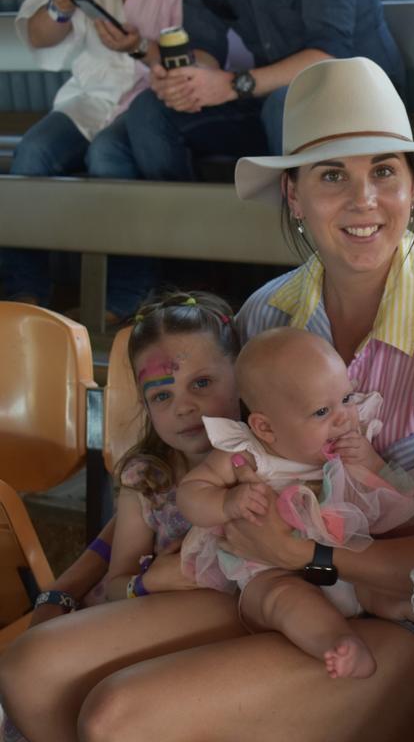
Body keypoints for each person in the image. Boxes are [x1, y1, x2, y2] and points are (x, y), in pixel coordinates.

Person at [0, 56, 414, 742]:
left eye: (385, 171)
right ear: (293, 195)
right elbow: (179, 474)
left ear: (413, 185)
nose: (364, 199)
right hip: (256, 584)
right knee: (31, 667)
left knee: (120, 718)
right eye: (332, 175)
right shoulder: (264, 314)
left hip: (407, 615)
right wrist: (64, 588)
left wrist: (313, 558)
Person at [0, 289, 241, 742]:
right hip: (140, 624)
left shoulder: (263, 462)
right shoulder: (148, 480)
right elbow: (116, 585)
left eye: (202, 383)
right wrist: (153, 581)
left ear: (241, 373)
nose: (183, 406)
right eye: (162, 394)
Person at [178, 327, 414, 679]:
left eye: (347, 398)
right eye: (322, 411)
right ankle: (337, 643)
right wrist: (226, 501)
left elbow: (394, 500)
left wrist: (368, 462)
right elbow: (190, 492)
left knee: (375, 589)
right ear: (265, 428)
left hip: (351, 565)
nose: (343, 417)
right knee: (279, 599)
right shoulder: (249, 454)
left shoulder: (351, 440)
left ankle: (402, 607)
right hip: (271, 569)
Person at [2, 0, 184, 322]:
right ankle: (25, 289)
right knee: (32, 153)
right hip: (89, 99)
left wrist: (139, 46)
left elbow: (192, 53)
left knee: (108, 157)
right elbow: (39, 36)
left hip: (150, 100)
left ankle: (126, 295)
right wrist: (61, 6)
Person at [115, 0, 405, 182]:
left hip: (364, 98)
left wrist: (230, 85)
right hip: (275, 101)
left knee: (285, 105)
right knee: (149, 111)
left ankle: (307, 255)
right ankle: (187, 254)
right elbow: (205, 47)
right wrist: (188, 82)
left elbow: (329, 56)